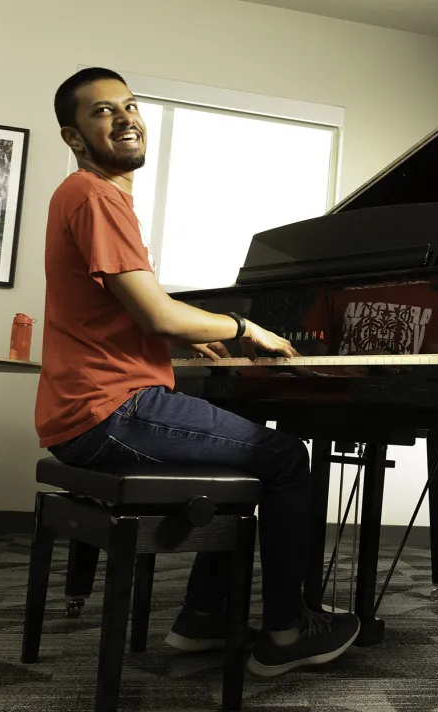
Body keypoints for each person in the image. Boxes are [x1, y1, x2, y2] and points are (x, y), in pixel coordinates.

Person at [34, 67, 360, 677]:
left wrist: (182, 344)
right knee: (286, 456)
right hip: (111, 412)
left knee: (245, 452)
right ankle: (288, 631)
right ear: (74, 136)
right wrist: (243, 329)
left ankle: (203, 619)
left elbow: (131, 316)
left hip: (92, 406)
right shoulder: (98, 196)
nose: (125, 118)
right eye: (102, 112)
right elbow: (158, 312)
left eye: (130, 106)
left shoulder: (85, 196)